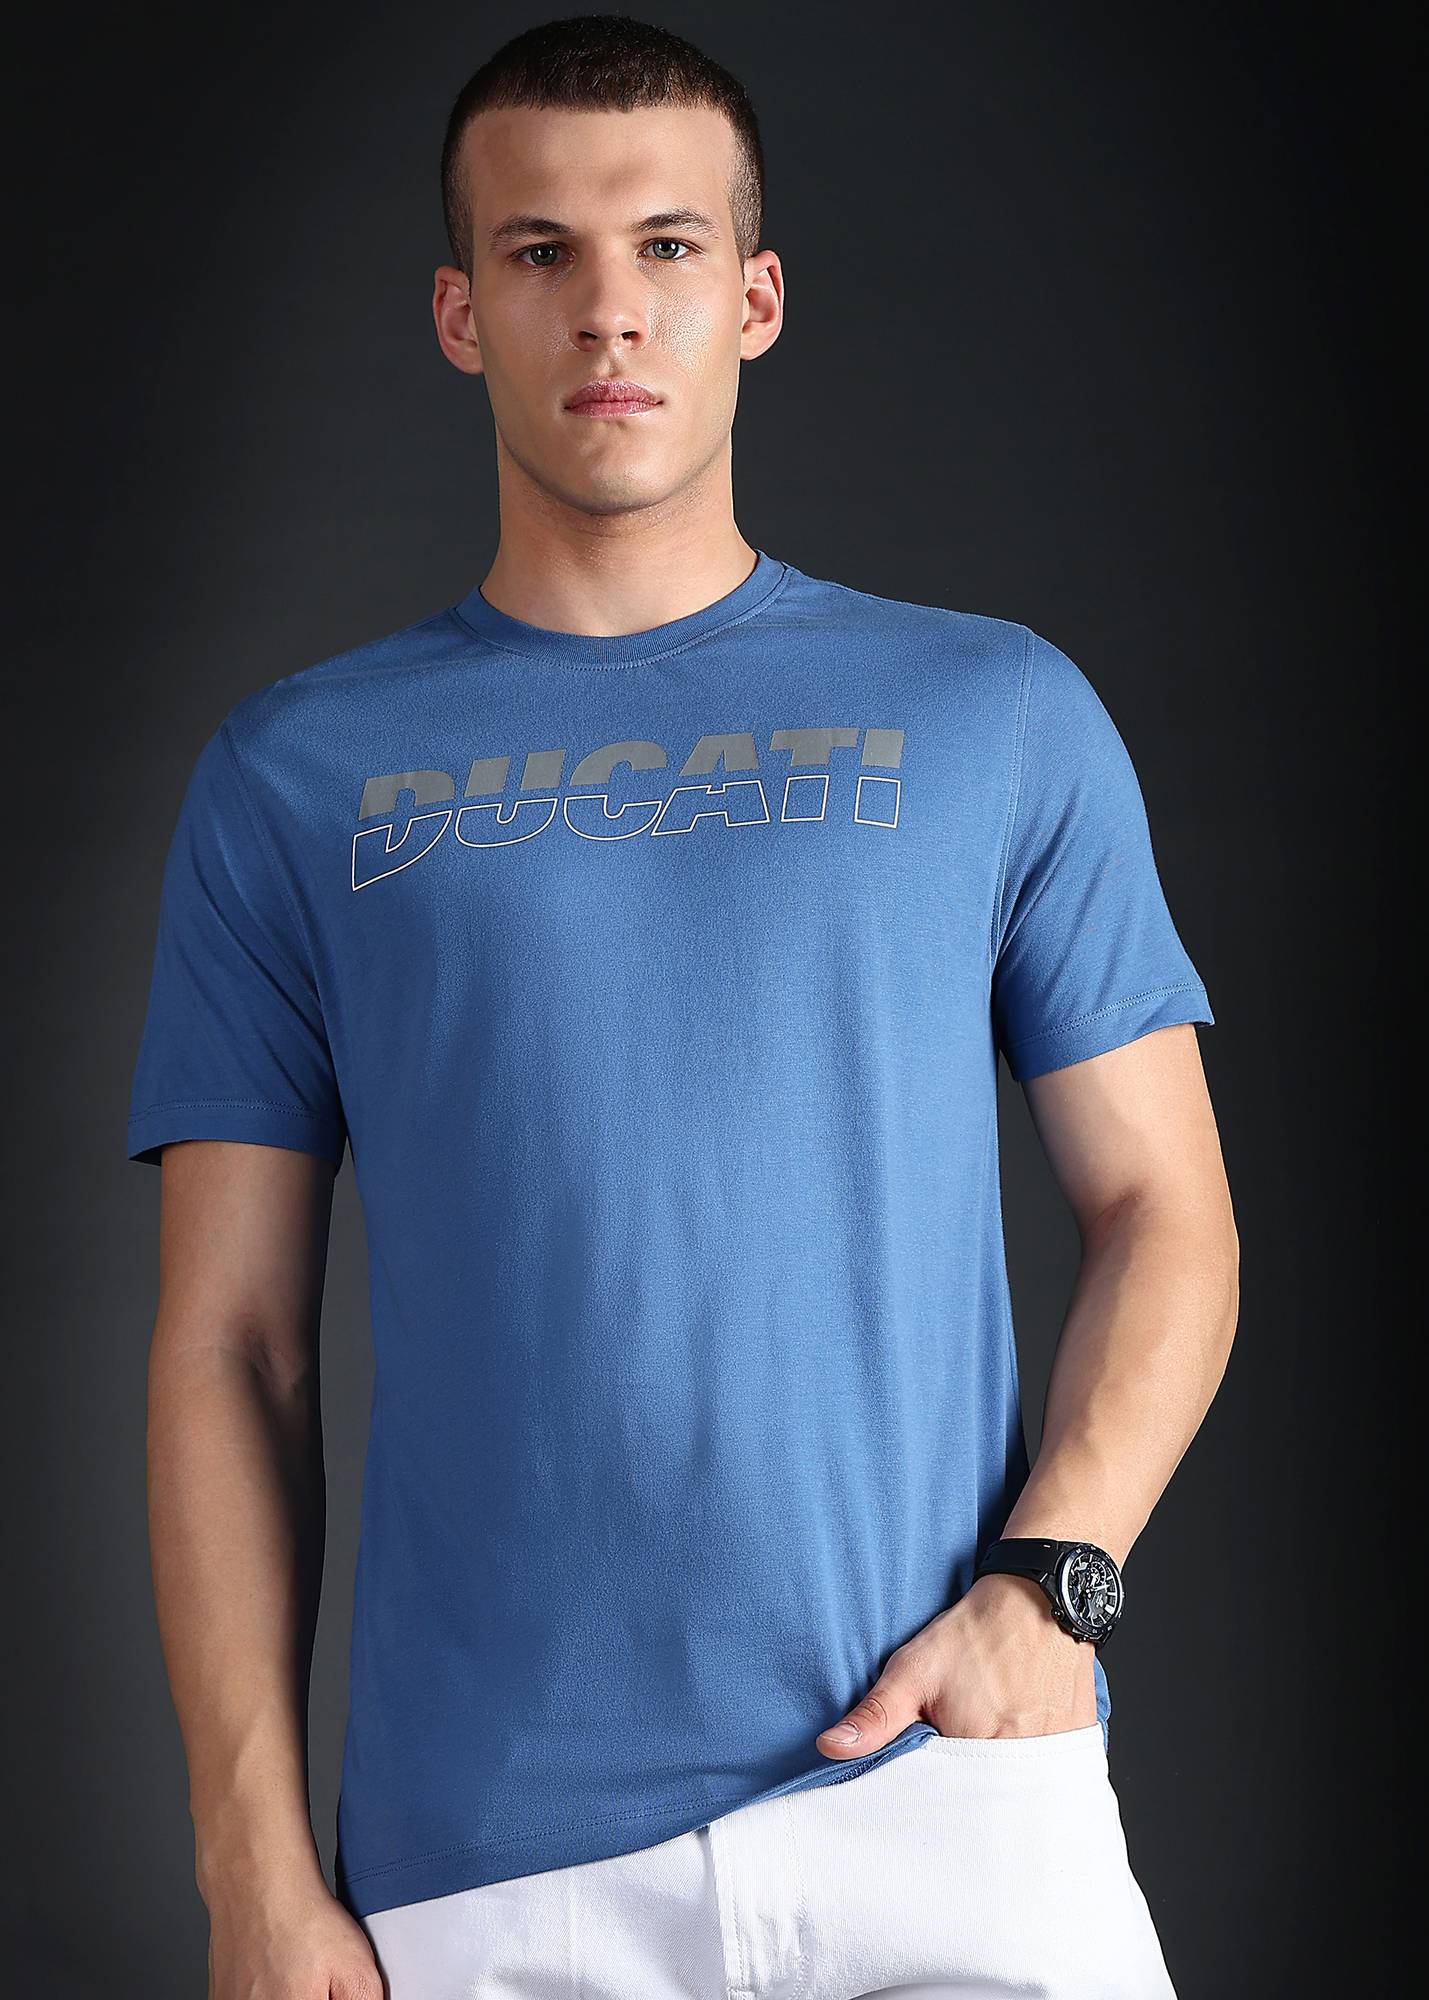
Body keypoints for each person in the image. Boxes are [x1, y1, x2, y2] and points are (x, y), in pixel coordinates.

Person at [127, 15, 1239, 1999]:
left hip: (948, 1800)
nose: (608, 309)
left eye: (664, 245)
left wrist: (1047, 1589)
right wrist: (248, 1868)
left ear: (756, 297)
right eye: (540, 252)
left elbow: (1169, 1211)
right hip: (487, 1876)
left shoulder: (995, 714)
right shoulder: (291, 779)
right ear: (461, 314)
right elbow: (232, 1348)